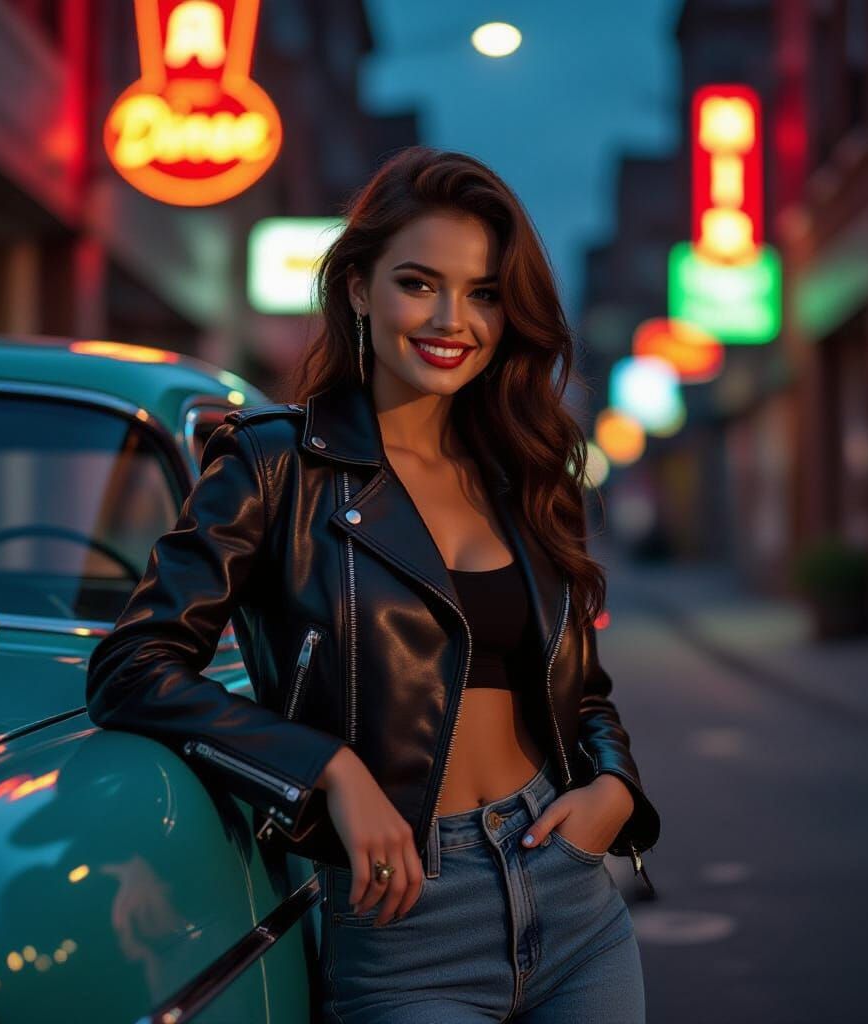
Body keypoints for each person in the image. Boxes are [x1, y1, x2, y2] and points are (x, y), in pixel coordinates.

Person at [86, 145, 661, 1023]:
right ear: (359, 287)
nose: (452, 319)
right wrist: (328, 770)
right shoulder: (275, 463)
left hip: (573, 895)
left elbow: (581, 691)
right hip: (405, 919)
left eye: (483, 293)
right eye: (419, 283)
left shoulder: (527, 472)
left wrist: (614, 791)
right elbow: (135, 667)